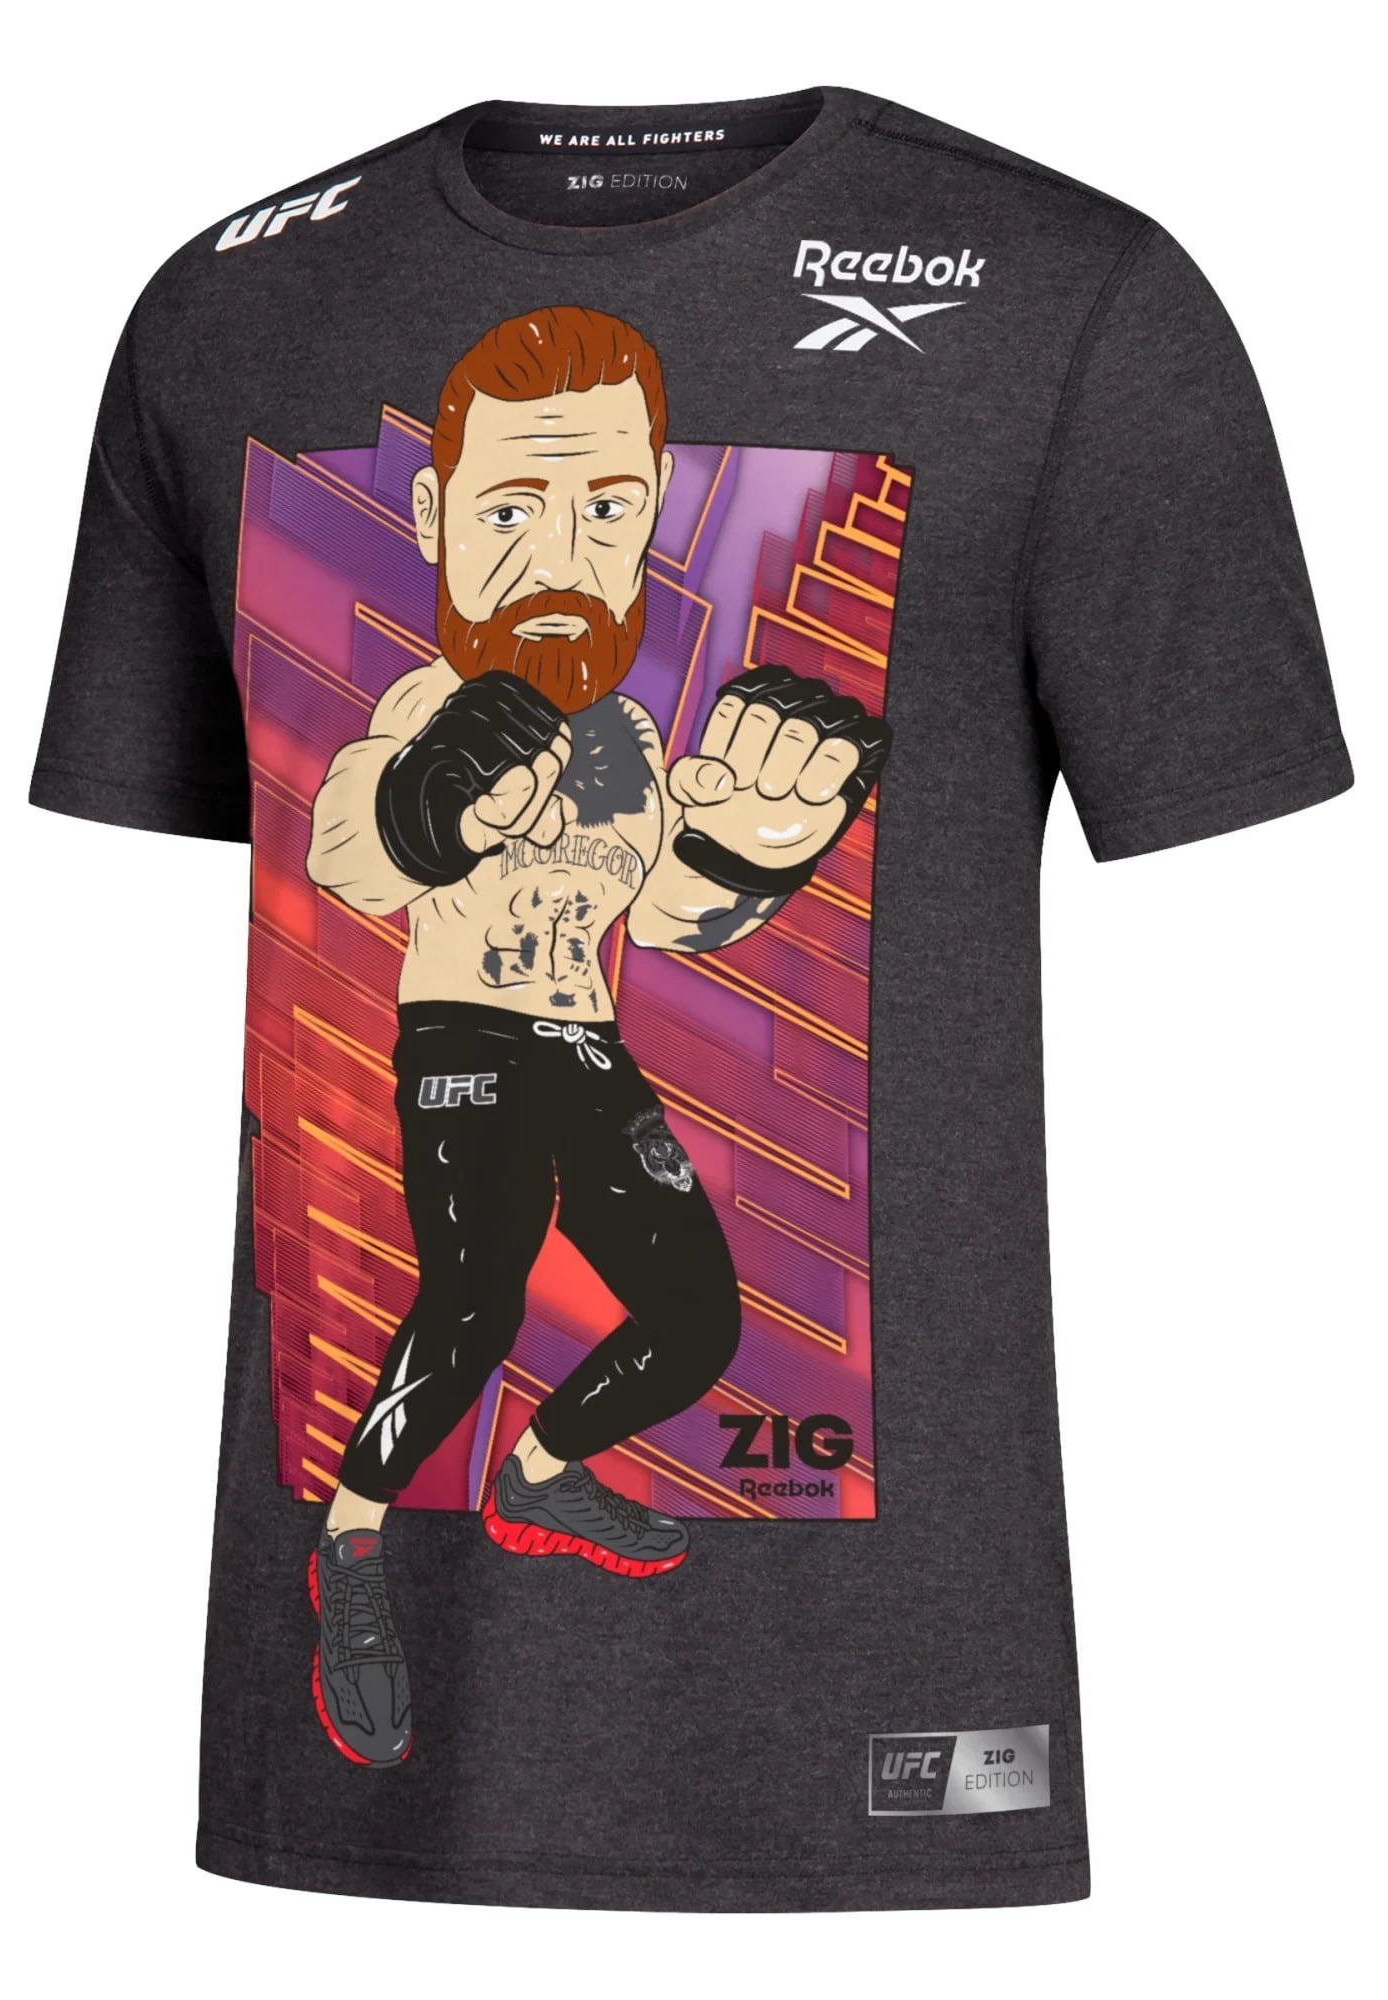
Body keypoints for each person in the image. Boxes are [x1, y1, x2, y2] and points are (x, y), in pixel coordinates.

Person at [302, 306, 890, 1764]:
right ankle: (352, 1545)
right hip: (465, 1039)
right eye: (514, 507)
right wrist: (433, 803)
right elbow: (348, 851)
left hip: (583, 1047)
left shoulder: (625, 734)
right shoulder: (430, 695)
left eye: (607, 507)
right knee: (471, 1307)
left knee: (697, 1321)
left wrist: (756, 850)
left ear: (652, 515)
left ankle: (540, 1473)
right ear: (435, 519)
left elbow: (672, 910)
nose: (562, 554)